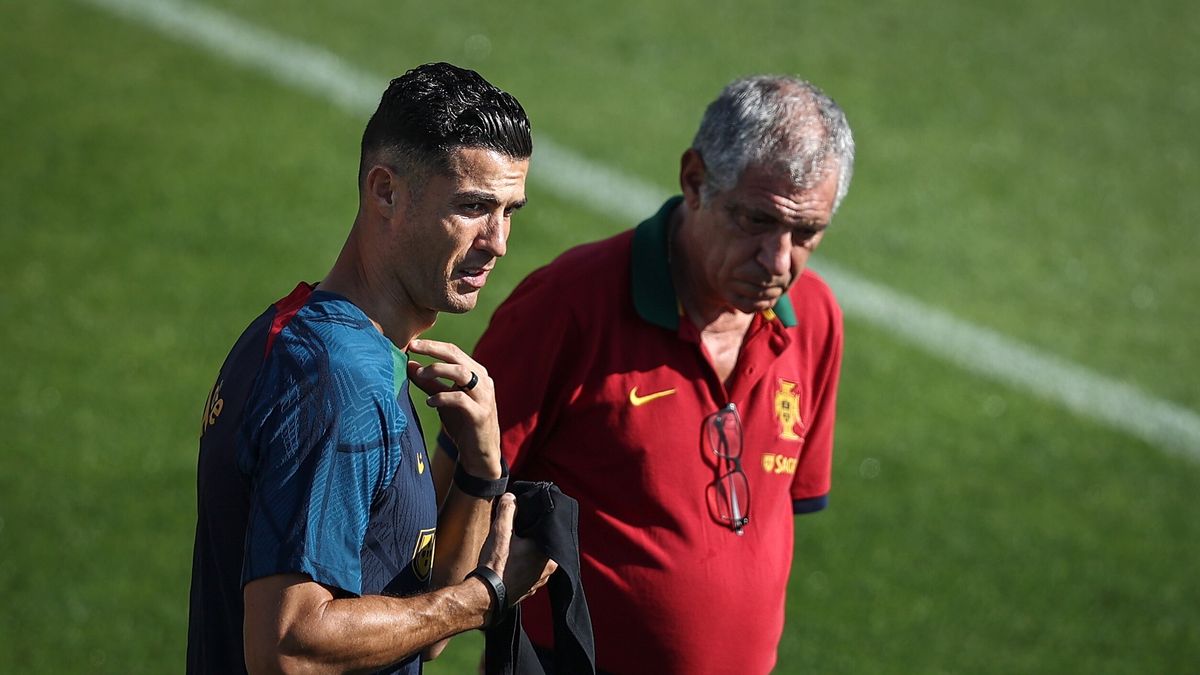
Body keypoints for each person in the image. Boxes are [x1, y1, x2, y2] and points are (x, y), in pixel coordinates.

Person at [433, 74, 855, 674]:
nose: (779, 262)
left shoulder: (814, 319)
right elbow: (447, 498)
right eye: (757, 221)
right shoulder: (567, 307)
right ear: (695, 181)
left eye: (806, 233)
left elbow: (776, 519)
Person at [187, 62, 557, 675]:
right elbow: (289, 647)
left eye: (510, 210)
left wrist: (476, 468)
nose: (499, 241)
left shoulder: (338, 342)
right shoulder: (337, 377)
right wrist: (482, 599)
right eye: (473, 207)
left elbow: (418, 624)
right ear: (385, 191)